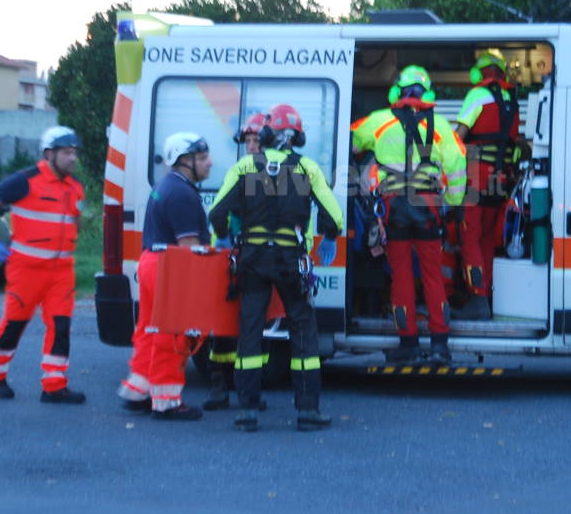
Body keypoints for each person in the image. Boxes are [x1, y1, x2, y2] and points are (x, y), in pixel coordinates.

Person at [209, 103, 343, 432]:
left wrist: (227, 237)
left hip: (253, 260)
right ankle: (307, 411)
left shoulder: (244, 167)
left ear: (268, 134)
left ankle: (248, 412)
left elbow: (216, 213)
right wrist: (329, 236)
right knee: (302, 331)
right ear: (296, 136)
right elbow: (334, 217)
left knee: (251, 330)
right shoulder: (306, 168)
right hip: (290, 262)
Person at [351, 66, 467, 364]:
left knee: (400, 277)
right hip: (428, 209)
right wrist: (452, 204)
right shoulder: (442, 126)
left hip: (393, 212)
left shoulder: (378, 121)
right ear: (427, 93)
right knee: (432, 276)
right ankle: (440, 345)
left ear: (396, 92)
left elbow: (349, 141)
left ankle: (408, 344)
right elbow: (457, 168)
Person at [0, 125, 87, 404]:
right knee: (14, 325)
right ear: (49, 154)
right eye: (66, 153)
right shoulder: (26, 180)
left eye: (74, 153)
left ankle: (54, 385)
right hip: (26, 269)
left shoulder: (75, 188)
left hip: (61, 272)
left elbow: (74, 220)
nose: (73, 158)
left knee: (60, 327)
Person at [117, 132, 212, 421]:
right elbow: (189, 249)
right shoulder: (183, 194)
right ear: (185, 161)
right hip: (170, 268)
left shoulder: (167, 186)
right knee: (173, 334)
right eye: (203, 157)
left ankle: (138, 391)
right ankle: (167, 401)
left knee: (150, 329)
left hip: (153, 263)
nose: (210, 163)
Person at [202, 112, 268, 411]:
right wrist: (225, 236)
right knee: (223, 326)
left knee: (252, 327)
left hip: (252, 256)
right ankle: (219, 387)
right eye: (248, 140)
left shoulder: (266, 174)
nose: (252, 145)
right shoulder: (242, 171)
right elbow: (218, 213)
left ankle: (248, 390)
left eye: (256, 140)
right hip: (233, 256)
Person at [454, 50, 521, 320]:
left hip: (474, 181)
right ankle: (487, 298)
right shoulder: (512, 102)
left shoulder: (477, 95)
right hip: (501, 182)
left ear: (479, 73)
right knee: (486, 244)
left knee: (469, 239)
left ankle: (477, 299)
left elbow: (458, 138)